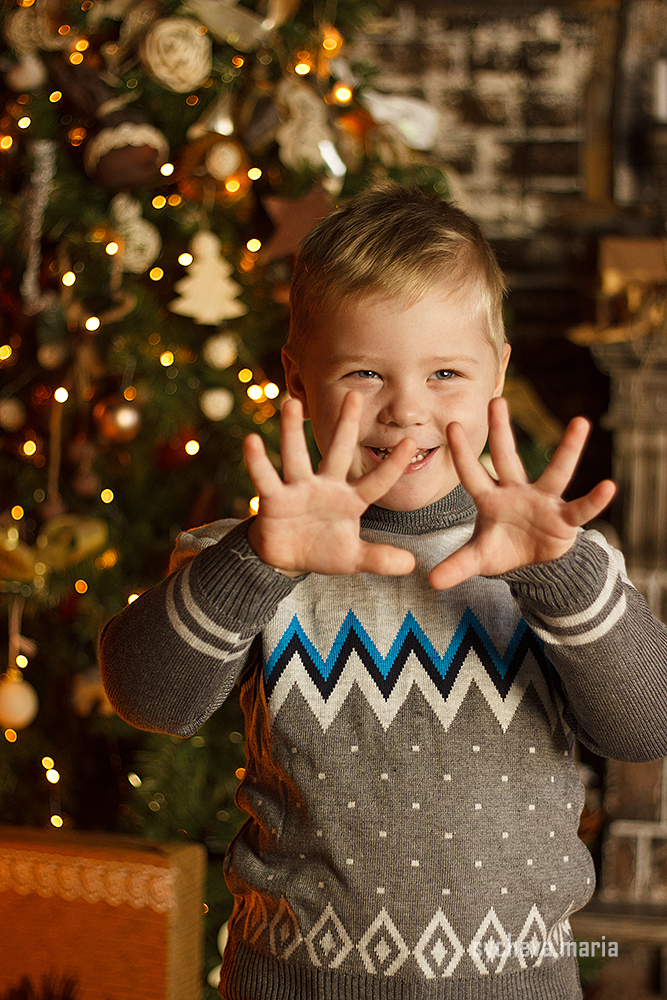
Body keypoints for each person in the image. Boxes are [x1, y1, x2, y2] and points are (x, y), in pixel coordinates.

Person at [100, 184, 667, 1000]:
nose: (406, 409)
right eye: (365, 371)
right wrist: (257, 560)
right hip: (291, 982)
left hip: (515, 983)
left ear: (496, 372)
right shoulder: (254, 558)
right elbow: (148, 698)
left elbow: (646, 726)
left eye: (444, 372)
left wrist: (560, 574)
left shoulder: (555, 560)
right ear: (297, 380)